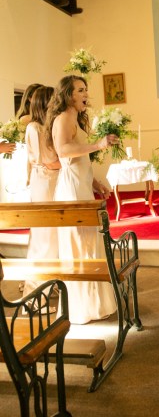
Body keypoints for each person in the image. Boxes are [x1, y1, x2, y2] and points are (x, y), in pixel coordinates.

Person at [45, 75, 118, 324]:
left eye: (86, 89)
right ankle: (82, 306)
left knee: (89, 242)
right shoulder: (63, 118)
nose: (85, 93)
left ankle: (95, 302)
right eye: (80, 90)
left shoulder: (74, 117)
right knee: (80, 243)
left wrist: (96, 183)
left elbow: (79, 159)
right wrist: (98, 144)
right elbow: (63, 151)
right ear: (68, 94)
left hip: (82, 185)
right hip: (72, 190)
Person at [23, 86, 60, 298]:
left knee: (53, 236)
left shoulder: (45, 126)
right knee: (44, 237)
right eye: (53, 100)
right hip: (45, 183)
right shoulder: (34, 128)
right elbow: (48, 161)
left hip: (51, 180)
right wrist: (71, 162)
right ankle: (35, 291)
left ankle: (50, 282)